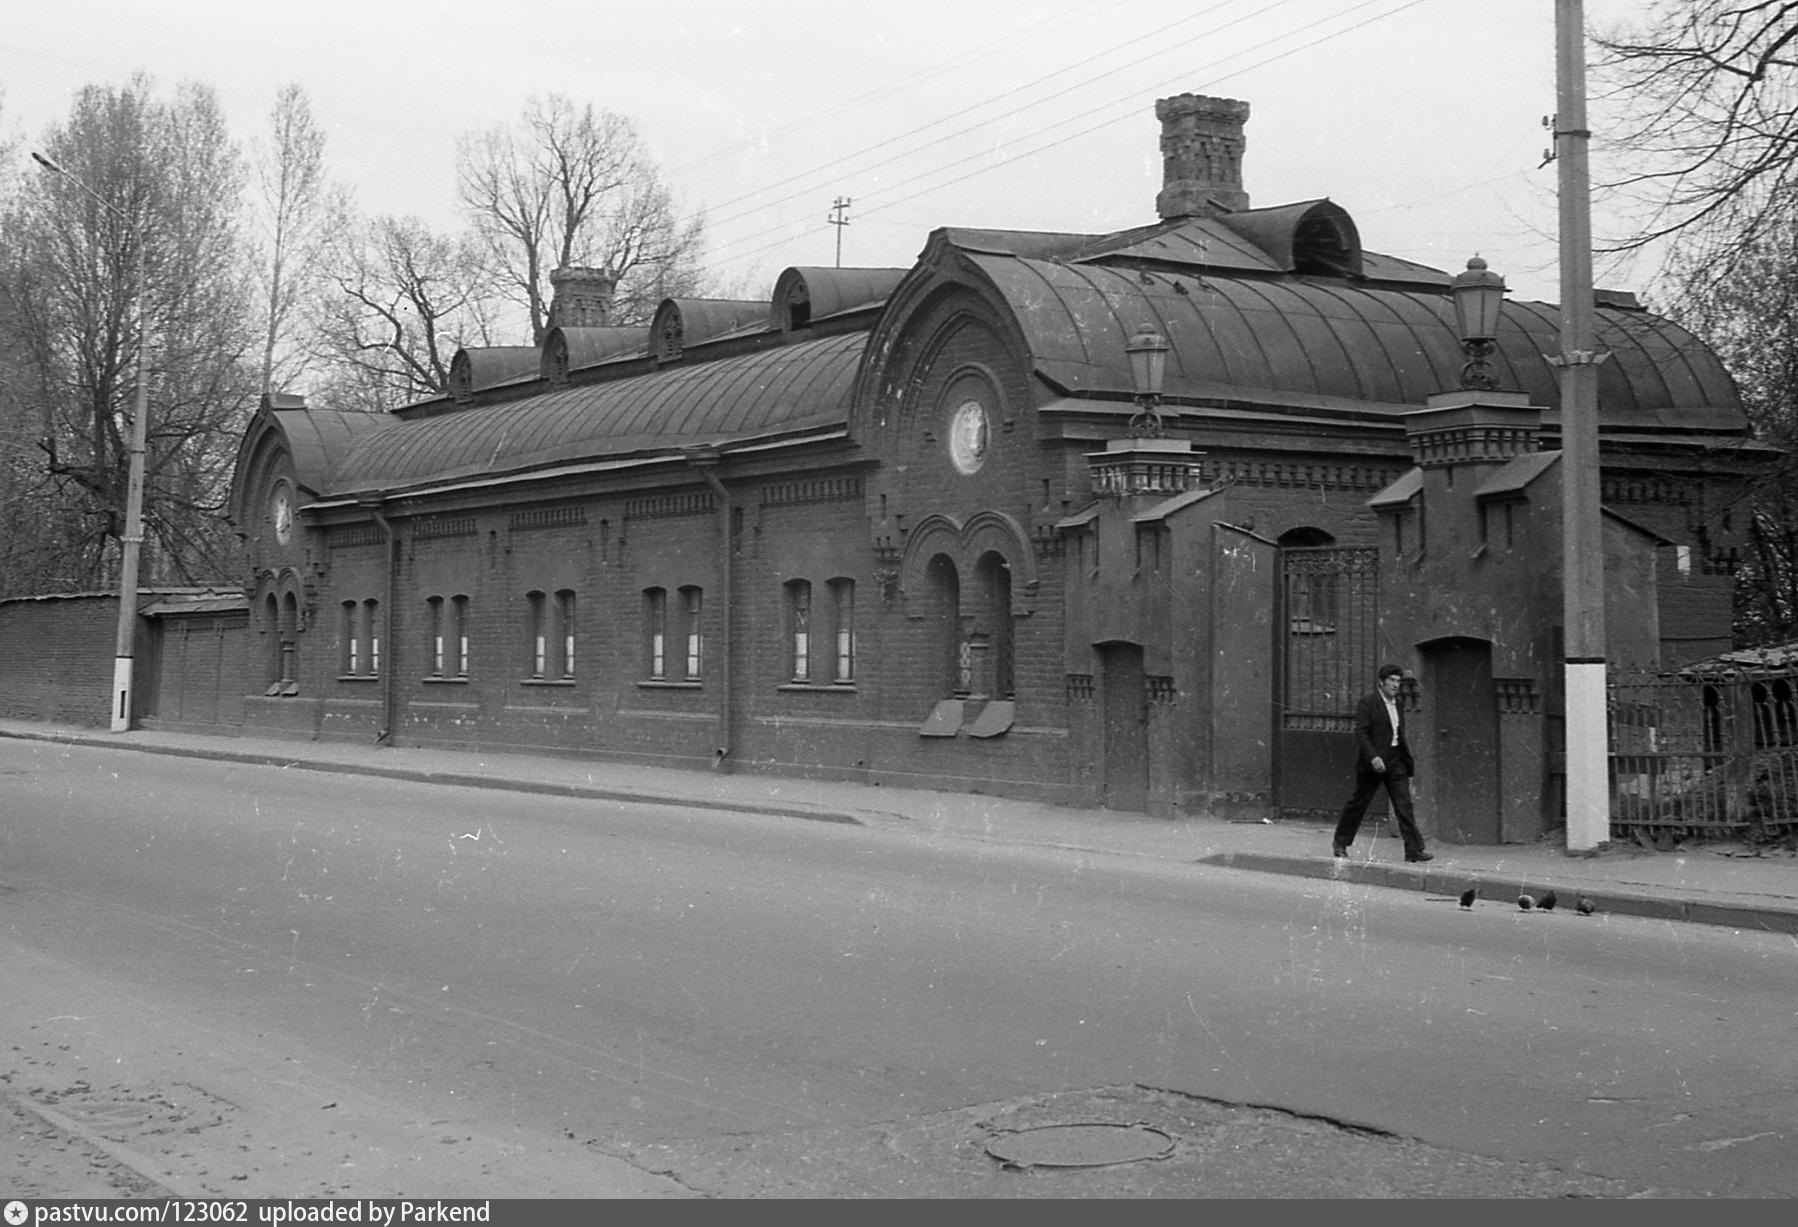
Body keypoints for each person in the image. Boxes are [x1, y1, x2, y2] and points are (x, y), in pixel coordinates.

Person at [1333, 663, 1432, 862]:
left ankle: (1413, 850)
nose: (1396, 685)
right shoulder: (1368, 703)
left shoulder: (1399, 704)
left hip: (1396, 761)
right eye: (1392, 681)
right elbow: (1361, 733)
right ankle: (1340, 843)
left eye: (1398, 681)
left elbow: (1397, 733)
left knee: (1404, 805)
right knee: (1359, 802)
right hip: (1374, 763)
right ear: (1381, 682)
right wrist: (1373, 757)